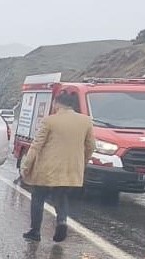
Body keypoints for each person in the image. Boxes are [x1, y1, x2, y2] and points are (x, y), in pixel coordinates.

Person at [20, 91, 95, 242]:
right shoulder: (86, 121)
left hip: (47, 168)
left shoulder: (50, 121)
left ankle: (35, 231)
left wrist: (26, 165)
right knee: (61, 196)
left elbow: (36, 146)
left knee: (38, 197)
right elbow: (91, 146)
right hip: (71, 169)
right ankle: (62, 221)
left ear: (57, 103)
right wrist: (82, 162)